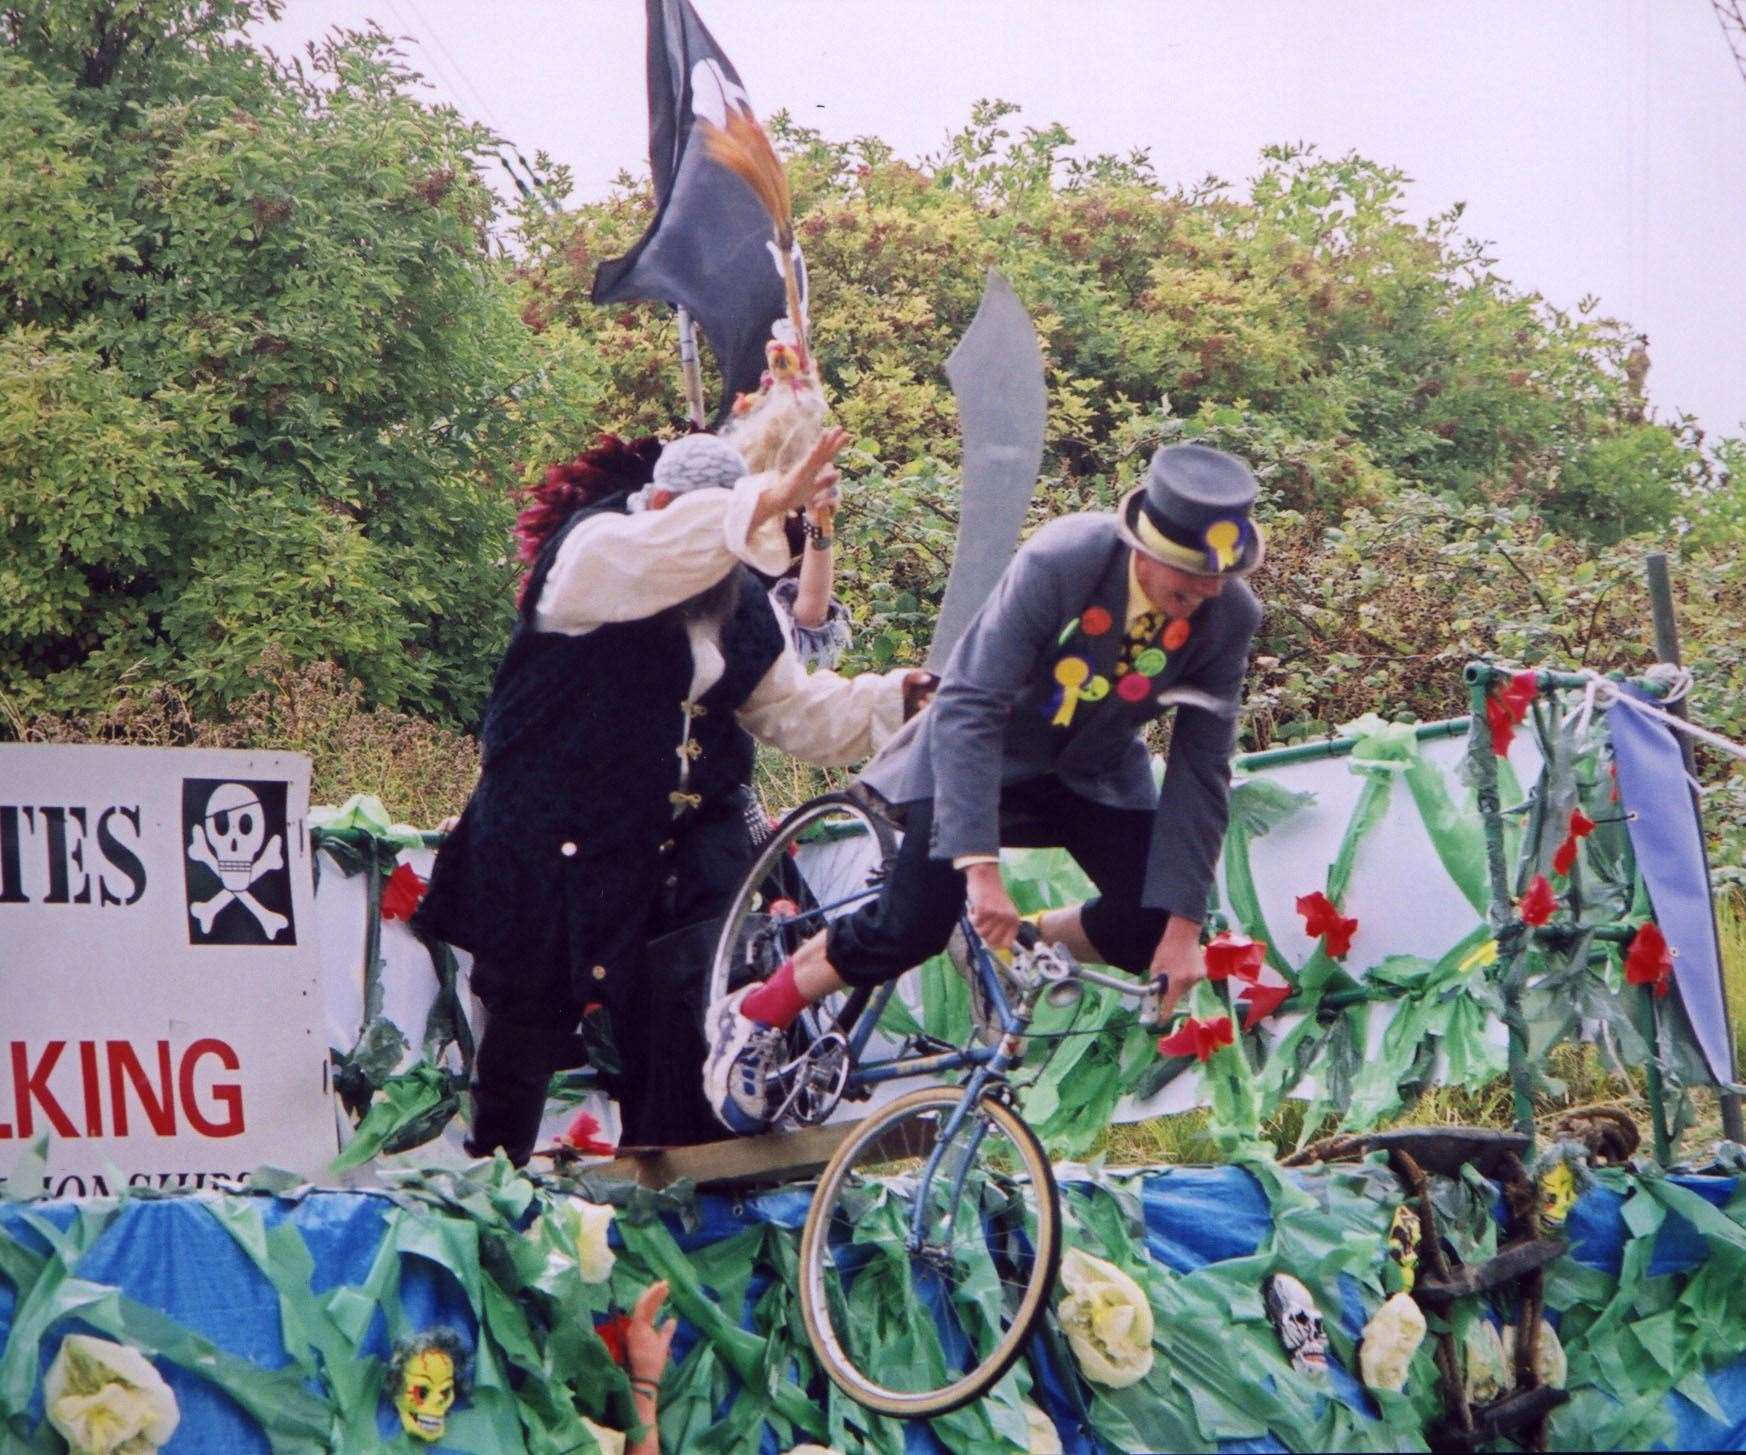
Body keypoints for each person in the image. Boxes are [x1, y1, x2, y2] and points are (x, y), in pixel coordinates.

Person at [704, 443, 1267, 1134]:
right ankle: (759, 1009)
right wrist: (980, 871)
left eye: (1215, 586)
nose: (1199, 606)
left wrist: (1183, 928)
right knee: (910, 926)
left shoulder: (1228, 613)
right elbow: (969, 705)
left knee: (1153, 923)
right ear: (1140, 550)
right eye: (1185, 589)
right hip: (978, 757)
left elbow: (1201, 769)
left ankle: (1012, 940)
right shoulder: (1064, 560)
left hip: (1089, 772)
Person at [415, 425, 914, 1160]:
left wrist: (903, 698)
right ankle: (499, 1201)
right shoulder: (594, 556)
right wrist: (758, 502)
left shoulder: (742, 603)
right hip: (552, 843)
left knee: (689, 1023)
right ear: (660, 505)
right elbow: (672, 548)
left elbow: (797, 713)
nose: (712, 553)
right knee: (526, 1027)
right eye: (703, 525)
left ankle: (682, 1205)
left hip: (674, 854)